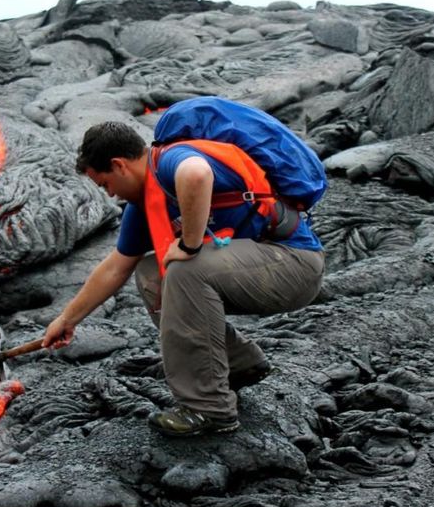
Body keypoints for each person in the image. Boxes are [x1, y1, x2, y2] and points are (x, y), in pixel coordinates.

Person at [42, 116, 325, 437]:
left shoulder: (170, 160)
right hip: (256, 270)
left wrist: (190, 244)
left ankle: (209, 408)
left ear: (119, 165)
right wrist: (67, 319)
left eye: (104, 184)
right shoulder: (144, 204)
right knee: (152, 274)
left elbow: (197, 173)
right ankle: (239, 363)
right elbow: (116, 266)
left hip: (294, 264)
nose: (109, 195)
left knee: (184, 268)